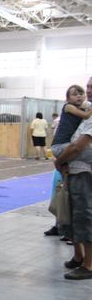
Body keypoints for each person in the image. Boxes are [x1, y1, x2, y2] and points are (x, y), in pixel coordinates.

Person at [54, 76, 92, 280]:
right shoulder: (77, 108)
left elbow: (79, 145)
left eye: (86, 90)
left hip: (82, 169)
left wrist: (60, 160)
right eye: (86, 87)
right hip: (73, 167)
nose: (85, 92)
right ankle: (79, 256)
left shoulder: (87, 112)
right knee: (73, 213)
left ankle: (88, 264)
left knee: (83, 214)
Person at [50, 85, 92, 162]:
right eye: (75, 94)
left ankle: (63, 165)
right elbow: (86, 116)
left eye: (81, 93)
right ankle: (59, 163)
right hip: (60, 146)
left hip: (69, 145)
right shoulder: (68, 107)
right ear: (67, 99)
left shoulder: (83, 109)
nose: (79, 96)